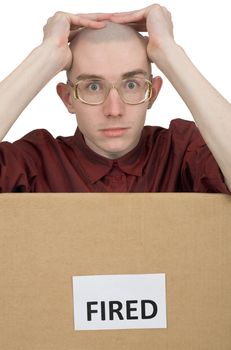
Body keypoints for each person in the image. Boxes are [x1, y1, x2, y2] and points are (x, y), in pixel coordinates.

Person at [0, 4, 230, 193]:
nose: (114, 110)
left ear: (153, 93)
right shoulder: (33, 163)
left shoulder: (182, 151)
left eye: (131, 85)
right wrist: (46, 54)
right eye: (92, 86)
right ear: (68, 98)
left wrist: (169, 51)